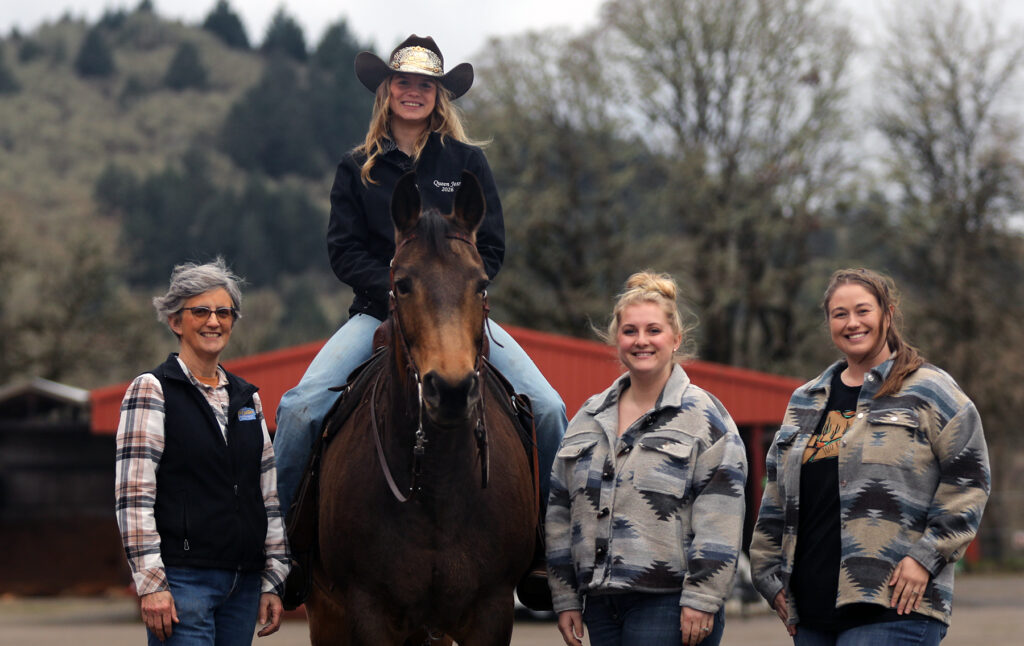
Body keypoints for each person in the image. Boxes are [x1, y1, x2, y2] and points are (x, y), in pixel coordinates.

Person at [273, 34, 567, 516]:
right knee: (299, 409)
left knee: (551, 410)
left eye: (425, 86)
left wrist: (455, 290)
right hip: (376, 314)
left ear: (439, 96)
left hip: (462, 317)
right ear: (387, 90)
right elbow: (343, 251)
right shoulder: (355, 167)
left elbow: (490, 247)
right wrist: (397, 291)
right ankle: (279, 544)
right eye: (403, 82)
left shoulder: (467, 161)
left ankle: (554, 541)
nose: (414, 92)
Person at [749, 268, 991, 645]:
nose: (852, 323)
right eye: (839, 313)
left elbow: (970, 480)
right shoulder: (806, 400)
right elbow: (777, 493)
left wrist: (926, 556)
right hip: (811, 612)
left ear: (888, 315)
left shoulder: (931, 391)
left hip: (895, 606)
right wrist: (766, 572)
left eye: (863, 311)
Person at [546, 271, 747, 646]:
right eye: (630, 331)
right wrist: (564, 596)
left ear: (676, 339)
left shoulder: (705, 417)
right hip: (600, 606)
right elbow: (559, 510)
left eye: (653, 330)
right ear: (616, 339)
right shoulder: (587, 418)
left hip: (670, 603)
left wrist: (703, 598)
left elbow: (721, 515)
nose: (641, 341)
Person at [114, 259, 289, 645]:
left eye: (224, 312)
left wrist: (273, 577)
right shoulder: (152, 390)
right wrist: (150, 583)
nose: (214, 321)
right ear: (177, 322)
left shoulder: (248, 399)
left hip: (243, 584)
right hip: (182, 583)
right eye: (201, 311)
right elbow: (133, 496)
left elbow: (268, 495)